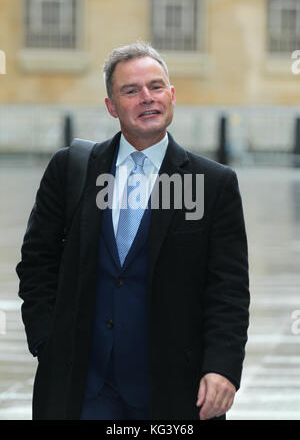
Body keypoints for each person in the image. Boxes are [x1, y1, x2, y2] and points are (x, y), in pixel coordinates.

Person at [16, 41, 250, 421]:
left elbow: (228, 288)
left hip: (174, 389)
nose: (147, 98)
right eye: (131, 90)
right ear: (111, 106)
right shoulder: (71, 170)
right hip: (81, 388)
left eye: (156, 87)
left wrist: (222, 367)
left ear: (172, 96)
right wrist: (47, 341)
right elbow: (37, 263)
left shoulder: (213, 184)